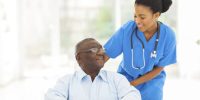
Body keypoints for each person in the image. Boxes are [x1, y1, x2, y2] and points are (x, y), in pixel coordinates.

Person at [103, 0, 176, 100]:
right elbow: (106, 54)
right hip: (125, 79)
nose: (137, 21)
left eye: (142, 17)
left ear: (156, 15)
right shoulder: (127, 29)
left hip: (152, 83)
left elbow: (159, 68)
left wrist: (133, 84)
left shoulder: (168, 35)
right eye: (135, 16)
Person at [45, 38, 141, 100]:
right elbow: (51, 97)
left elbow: (133, 95)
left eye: (102, 49)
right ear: (78, 57)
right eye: (95, 50)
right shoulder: (67, 81)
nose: (101, 53)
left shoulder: (116, 79)